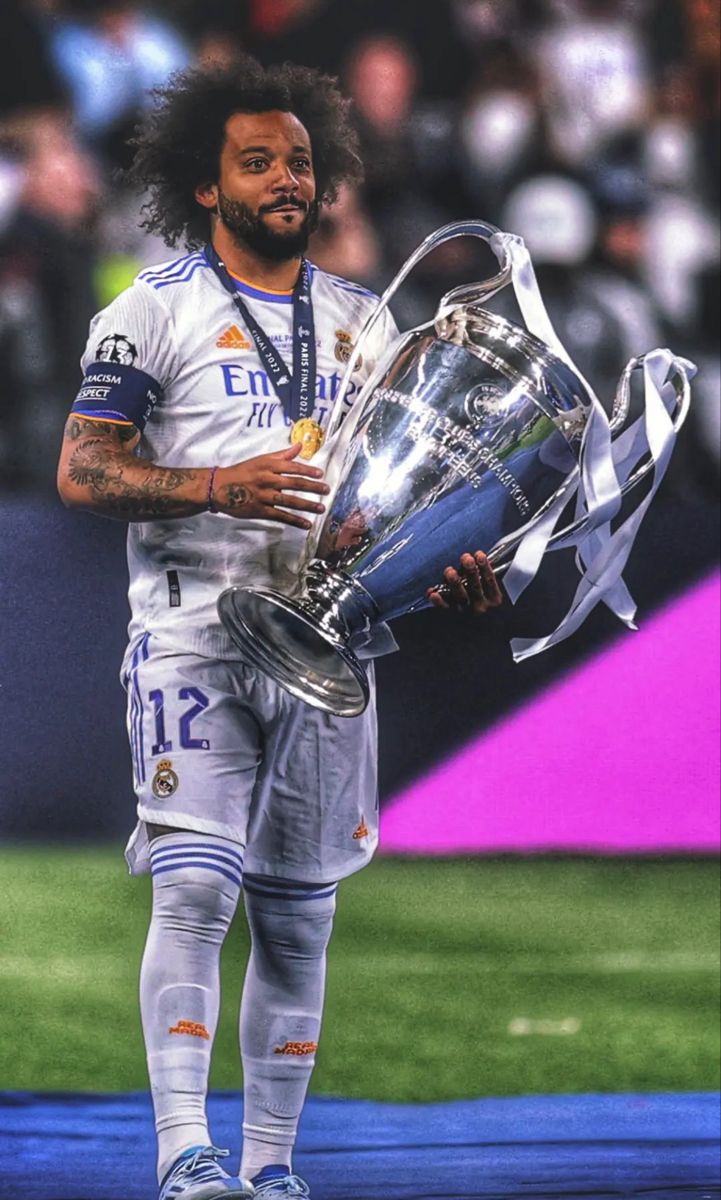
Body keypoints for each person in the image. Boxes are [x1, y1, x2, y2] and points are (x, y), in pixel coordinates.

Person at [56, 57, 501, 1200]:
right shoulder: (151, 309)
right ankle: (181, 1153)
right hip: (195, 632)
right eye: (257, 160)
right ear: (207, 185)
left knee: (299, 924)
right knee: (196, 889)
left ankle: (268, 1167)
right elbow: (82, 470)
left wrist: (446, 567)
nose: (285, 178)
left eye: (300, 160)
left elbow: (389, 507)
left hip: (326, 650)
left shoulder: (367, 324)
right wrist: (218, 489)